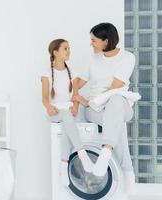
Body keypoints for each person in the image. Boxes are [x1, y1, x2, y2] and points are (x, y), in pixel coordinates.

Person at [72, 22, 136, 191]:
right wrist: (70, 85)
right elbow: (79, 82)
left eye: (94, 40)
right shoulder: (92, 59)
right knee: (116, 125)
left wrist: (88, 101)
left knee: (115, 98)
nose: (90, 43)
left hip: (120, 106)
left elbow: (116, 86)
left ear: (106, 41)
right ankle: (127, 171)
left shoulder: (128, 57)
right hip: (95, 111)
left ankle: (105, 152)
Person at [40, 39, 94, 187]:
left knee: (66, 124)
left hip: (69, 112)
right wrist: (48, 106)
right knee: (65, 115)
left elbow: (75, 95)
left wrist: (75, 107)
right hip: (55, 111)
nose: (68, 51)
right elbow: (44, 97)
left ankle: (64, 165)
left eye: (69, 48)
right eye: (65, 48)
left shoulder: (73, 72)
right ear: (55, 52)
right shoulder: (46, 72)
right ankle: (82, 153)